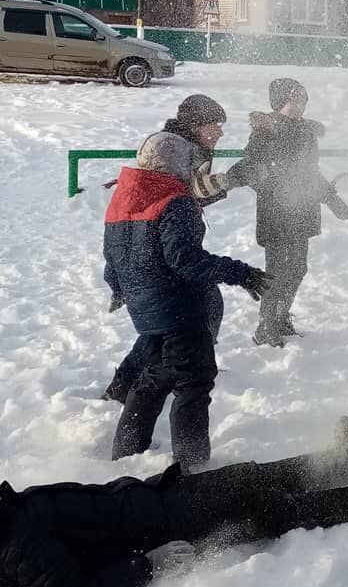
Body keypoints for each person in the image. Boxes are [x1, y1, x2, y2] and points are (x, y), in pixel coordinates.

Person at [0, 417, 348, 587]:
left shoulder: (12, 512)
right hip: (161, 529)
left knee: (247, 476)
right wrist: (148, 566)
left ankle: (329, 466)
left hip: (150, 500)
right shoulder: (19, 549)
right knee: (267, 509)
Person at [104, 132, 271, 469]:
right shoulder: (174, 201)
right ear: (178, 164)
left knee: (152, 380)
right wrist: (240, 272)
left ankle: (125, 458)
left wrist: (120, 289)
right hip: (180, 309)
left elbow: (112, 258)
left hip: (146, 311)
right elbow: (185, 259)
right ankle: (192, 467)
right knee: (192, 384)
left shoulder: (124, 200)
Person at [101, 95, 258, 403]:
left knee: (171, 320)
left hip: (156, 238)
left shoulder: (186, 144)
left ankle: (136, 379)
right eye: (216, 125)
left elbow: (189, 195)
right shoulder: (181, 148)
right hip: (155, 240)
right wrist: (233, 179)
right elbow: (188, 191)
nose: (220, 133)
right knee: (191, 311)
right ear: (198, 125)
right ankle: (187, 363)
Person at [233, 78, 348, 348]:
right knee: (276, 270)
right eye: (294, 100)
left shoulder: (306, 132)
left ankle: (281, 316)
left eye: (303, 100)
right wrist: (274, 189)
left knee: (298, 267)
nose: (300, 105)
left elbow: (311, 172)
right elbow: (251, 170)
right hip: (276, 212)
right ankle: (266, 325)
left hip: (303, 209)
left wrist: (332, 199)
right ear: (279, 102)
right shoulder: (265, 131)